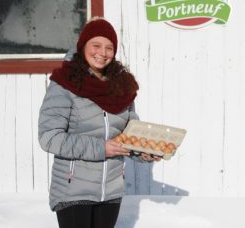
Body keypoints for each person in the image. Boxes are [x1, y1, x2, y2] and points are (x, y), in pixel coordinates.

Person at [38, 17, 160, 228]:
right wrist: (101, 148)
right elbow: (49, 138)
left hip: (110, 191)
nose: (102, 53)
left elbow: (130, 134)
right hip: (72, 190)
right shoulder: (65, 83)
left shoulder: (122, 87)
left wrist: (144, 151)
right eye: (96, 45)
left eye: (109, 48)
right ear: (83, 46)